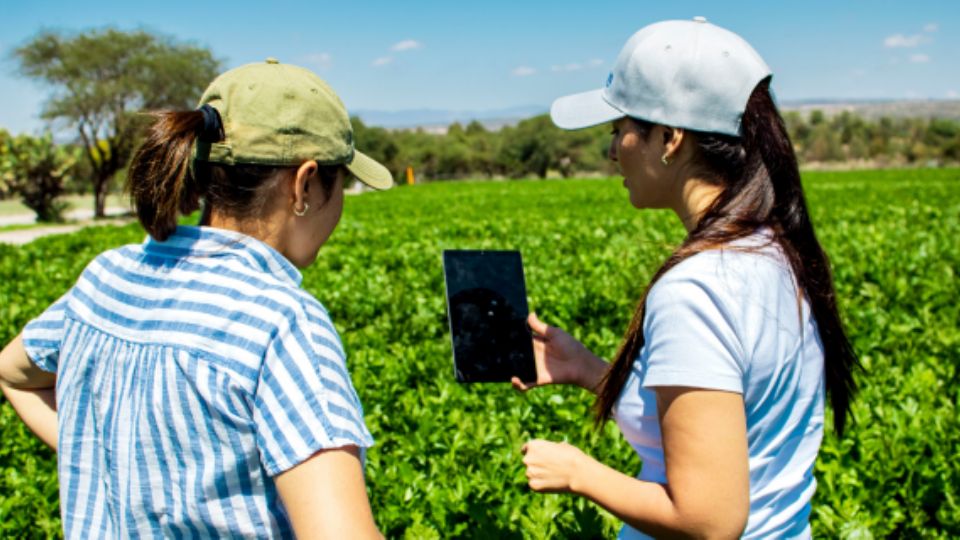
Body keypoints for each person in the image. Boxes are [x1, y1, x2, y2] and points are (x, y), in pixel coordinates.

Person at [0, 59, 393, 538]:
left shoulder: (107, 278)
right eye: (341, 184)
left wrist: (108, 460)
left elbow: (14, 373)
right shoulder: (281, 323)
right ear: (304, 184)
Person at [514, 18, 859, 539]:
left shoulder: (697, 289)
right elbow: (724, 425)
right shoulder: (773, 251)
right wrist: (590, 369)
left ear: (671, 138)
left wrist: (579, 472)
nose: (612, 152)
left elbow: (710, 520)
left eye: (618, 130)